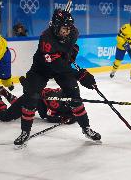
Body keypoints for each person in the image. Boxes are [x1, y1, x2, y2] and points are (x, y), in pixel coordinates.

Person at [13, 9, 101, 148]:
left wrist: (72, 54)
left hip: (61, 65)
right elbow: (56, 65)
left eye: (68, 28)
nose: (66, 32)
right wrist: (80, 74)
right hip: (41, 69)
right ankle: (25, 131)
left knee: (74, 95)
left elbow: (70, 48)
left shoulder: (73, 32)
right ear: (55, 26)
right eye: (63, 29)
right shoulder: (46, 39)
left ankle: (86, 128)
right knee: (31, 96)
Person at [0, 84, 76, 124]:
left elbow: (76, 112)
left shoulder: (67, 97)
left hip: (36, 99)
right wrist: (62, 119)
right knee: (4, 117)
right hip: (32, 99)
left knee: (18, 105)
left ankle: (4, 92)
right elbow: (49, 116)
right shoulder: (55, 102)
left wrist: (72, 117)